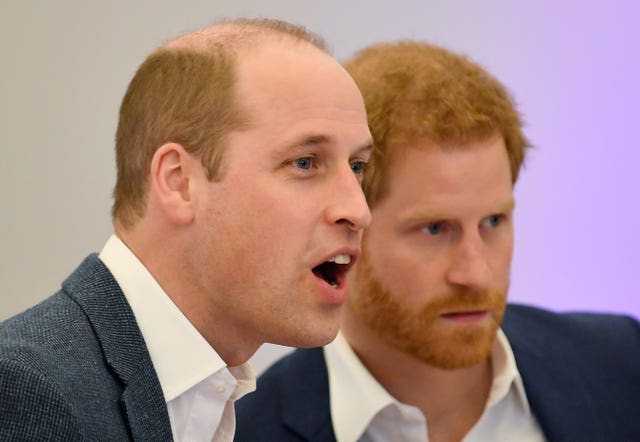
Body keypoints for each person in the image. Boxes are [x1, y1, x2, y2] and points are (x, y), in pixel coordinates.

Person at [234, 41, 640, 441]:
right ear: (346, 226)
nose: (475, 273)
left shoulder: (621, 365)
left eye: (493, 221)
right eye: (434, 229)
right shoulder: (242, 433)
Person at [0, 18, 373, 441]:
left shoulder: (212, 402)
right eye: (305, 162)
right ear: (179, 181)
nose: (358, 210)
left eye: (357, 166)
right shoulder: (28, 392)